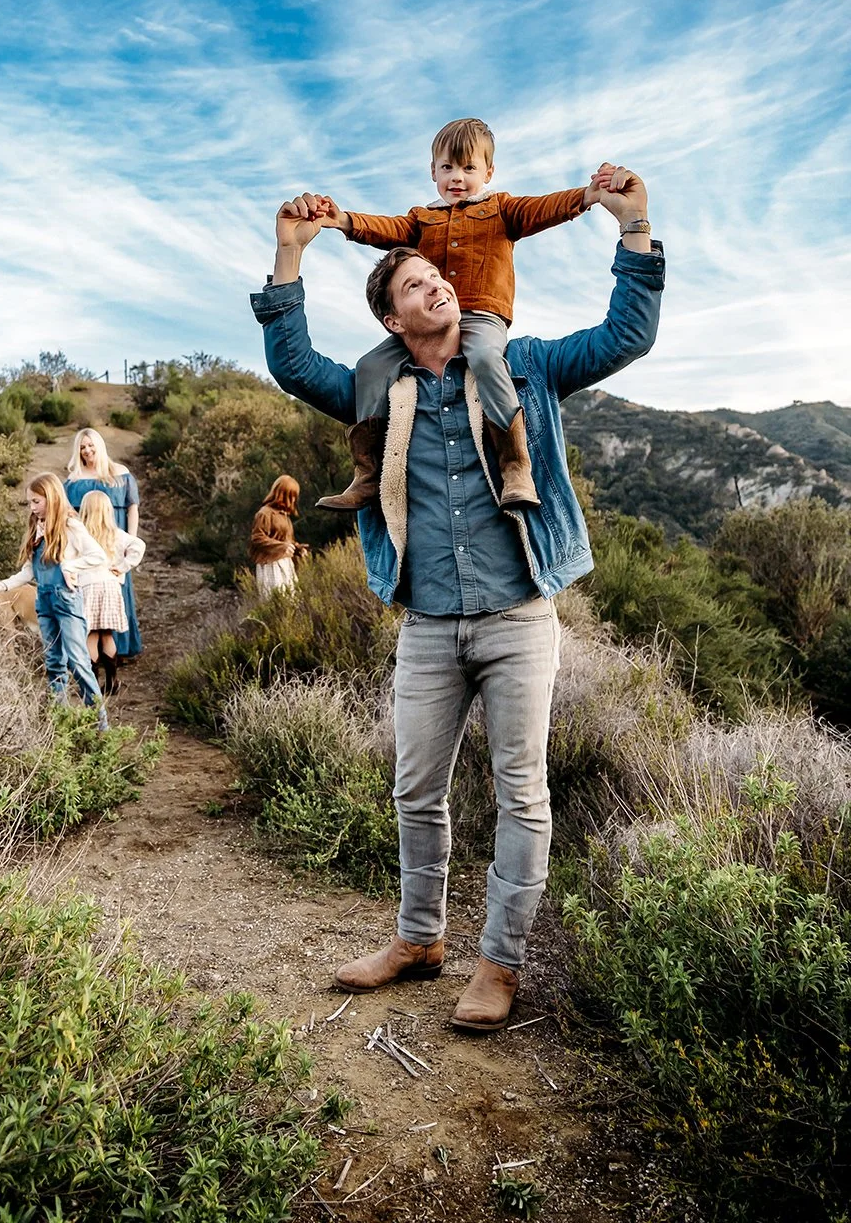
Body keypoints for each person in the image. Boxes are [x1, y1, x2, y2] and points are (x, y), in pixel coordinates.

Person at [250, 164, 663, 1033]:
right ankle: (419, 941)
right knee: (415, 790)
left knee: (522, 793)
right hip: (431, 625)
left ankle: (500, 966)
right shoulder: (377, 390)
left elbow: (623, 335)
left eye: (437, 277)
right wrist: (289, 254)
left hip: (519, 620)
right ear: (393, 321)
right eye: (414, 285)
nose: (437, 284)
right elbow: (292, 362)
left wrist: (632, 231)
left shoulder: (525, 367)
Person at [312, 117, 602, 512]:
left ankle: (515, 464)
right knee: (370, 366)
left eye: (468, 168)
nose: (457, 177)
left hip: (482, 316)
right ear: (433, 171)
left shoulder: (502, 209)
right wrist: (343, 220)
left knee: (484, 357)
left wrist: (588, 194)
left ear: (488, 172)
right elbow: (385, 227)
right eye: (447, 167)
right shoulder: (422, 219)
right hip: (429, 321)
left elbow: (544, 208)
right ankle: (368, 475)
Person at [0, 473, 110, 729]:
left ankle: (100, 724)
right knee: (53, 662)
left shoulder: (70, 526)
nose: (32, 507)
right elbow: (29, 572)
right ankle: (59, 723)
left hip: (67, 601)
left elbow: (97, 555)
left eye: (36, 501)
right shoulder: (36, 528)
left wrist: (70, 566)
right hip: (45, 602)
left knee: (78, 662)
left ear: (51, 498)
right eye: (30, 502)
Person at [65, 428, 142, 659]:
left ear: (99, 445)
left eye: (90, 445)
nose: (87, 450)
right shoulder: (73, 480)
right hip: (87, 544)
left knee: (118, 589)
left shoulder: (121, 473)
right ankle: (90, 654)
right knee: (88, 592)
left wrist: (131, 540)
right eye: (82, 447)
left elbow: (132, 508)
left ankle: (121, 649)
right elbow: (69, 516)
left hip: (114, 541)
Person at [77, 489, 147, 697]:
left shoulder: (81, 534)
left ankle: (91, 684)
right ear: (108, 510)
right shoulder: (115, 533)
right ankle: (112, 681)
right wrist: (123, 566)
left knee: (91, 634)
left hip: (88, 585)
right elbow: (138, 545)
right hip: (110, 586)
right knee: (107, 634)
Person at [249, 475, 305, 599]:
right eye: (292, 495)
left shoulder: (283, 515)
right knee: (275, 602)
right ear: (283, 494)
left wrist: (297, 549)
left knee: (291, 602)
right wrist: (282, 546)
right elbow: (257, 538)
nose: (294, 499)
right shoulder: (265, 514)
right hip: (271, 565)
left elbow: (286, 540)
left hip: (285, 563)